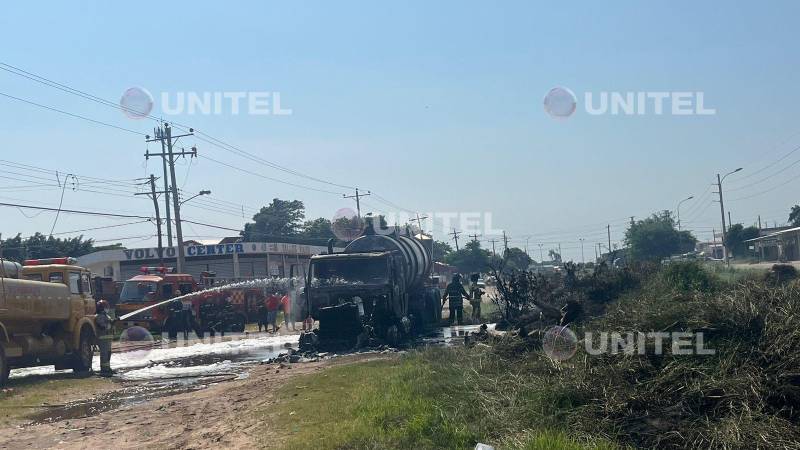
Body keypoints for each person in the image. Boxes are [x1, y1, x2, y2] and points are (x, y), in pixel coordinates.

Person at [95, 300, 114, 377]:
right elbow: (102, 327)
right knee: (104, 354)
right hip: (102, 339)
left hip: (107, 339)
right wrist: (110, 323)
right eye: (106, 307)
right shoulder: (99, 317)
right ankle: (104, 369)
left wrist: (112, 321)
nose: (107, 308)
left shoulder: (106, 316)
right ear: (102, 308)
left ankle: (107, 368)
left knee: (108, 353)